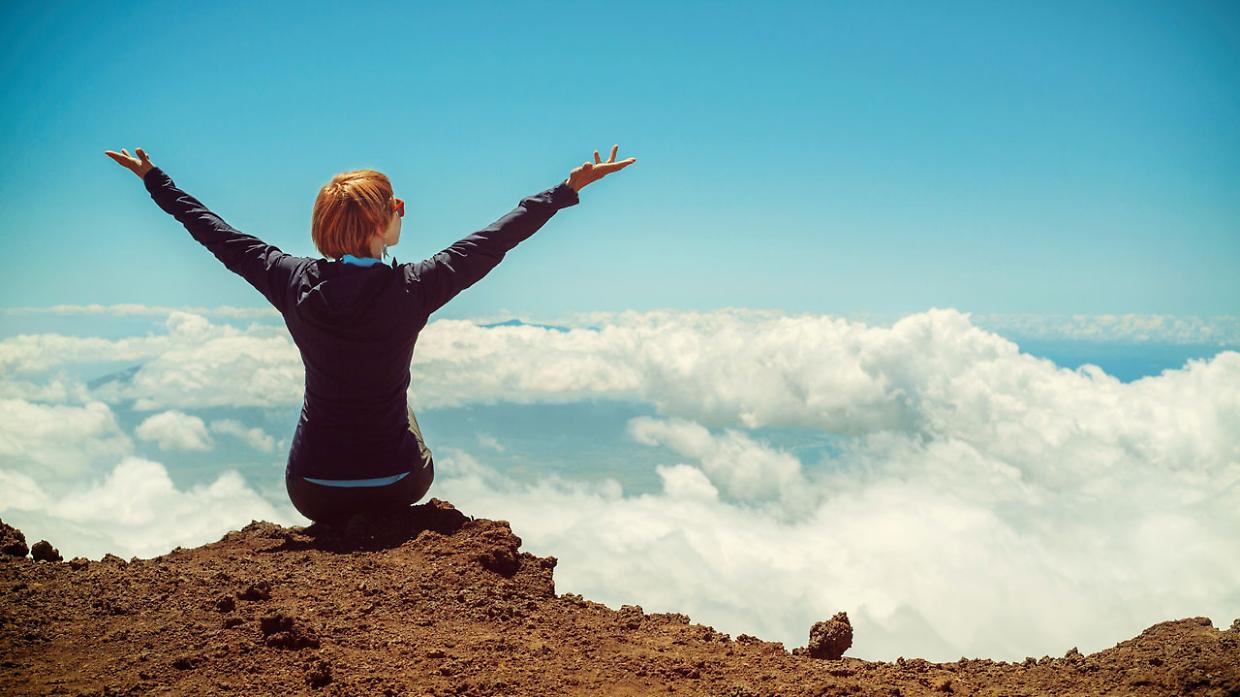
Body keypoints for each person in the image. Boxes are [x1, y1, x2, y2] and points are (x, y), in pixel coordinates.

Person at [104, 145, 637, 525]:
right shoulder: (418, 286)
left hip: (311, 491)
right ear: (383, 222)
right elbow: (498, 238)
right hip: (398, 484)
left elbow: (211, 230)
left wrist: (155, 179)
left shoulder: (286, 279)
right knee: (396, 400)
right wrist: (567, 190)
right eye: (396, 206)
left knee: (327, 399)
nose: (401, 212)